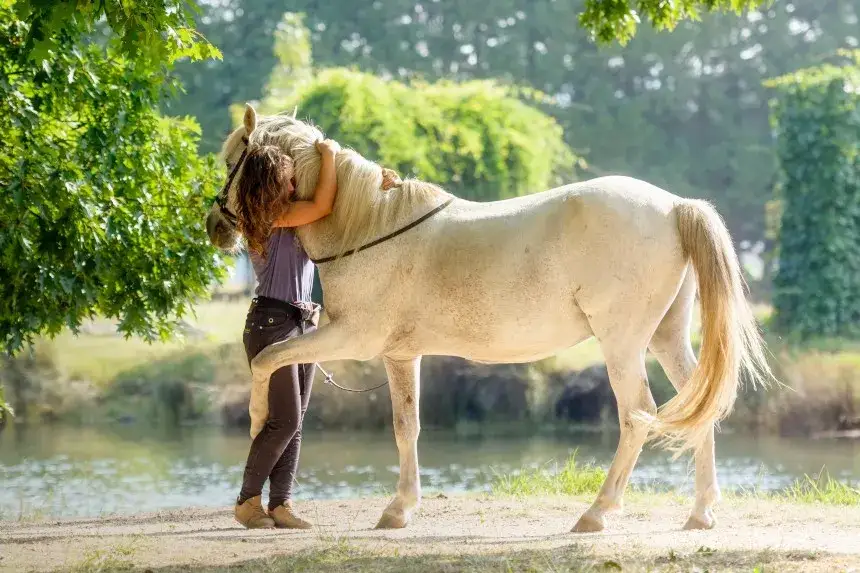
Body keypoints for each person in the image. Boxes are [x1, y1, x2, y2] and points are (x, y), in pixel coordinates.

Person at [232, 139, 401, 529]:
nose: (294, 188)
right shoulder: (268, 217)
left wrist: (378, 186)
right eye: (290, 181)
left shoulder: (294, 218)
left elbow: (336, 212)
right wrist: (327, 155)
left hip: (302, 320)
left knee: (295, 419)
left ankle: (280, 505)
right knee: (285, 420)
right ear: (272, 185)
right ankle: (247, 501)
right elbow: (323, 204)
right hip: (272, 322)